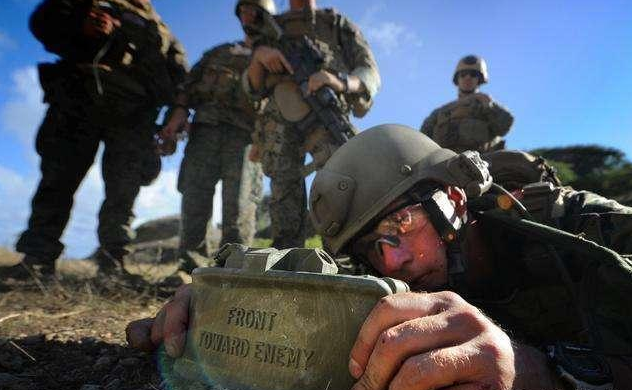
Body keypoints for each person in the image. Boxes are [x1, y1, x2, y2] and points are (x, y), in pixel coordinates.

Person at [128, 124, 632, 389]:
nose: (391, 264)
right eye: (372, 247)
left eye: (399, 224)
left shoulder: (586, 231)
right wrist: (223, 298)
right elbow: (315, 295)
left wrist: (546, 375)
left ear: (451, 200)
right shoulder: (389, 276)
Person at [1, 0, 188, 281]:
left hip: (134, 112)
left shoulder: (159, 27)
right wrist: (80, 21)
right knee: (57, 180)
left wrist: (177, 116)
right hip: (78, 98)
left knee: (123, 191)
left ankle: (112, 264)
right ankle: (37, 261)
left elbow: (179, 76)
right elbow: (41, 24)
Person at [243, 0, 381, 248]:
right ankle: (286, 259)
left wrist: (338, 81)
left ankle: (343, 253)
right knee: (282, 185)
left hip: (326, 108)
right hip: (278, 115)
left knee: (339, 180)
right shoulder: (270, 27)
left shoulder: (335, 22)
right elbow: (251, 89)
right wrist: (258, 57)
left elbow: (369, 72)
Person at [158, 0, 268, 273]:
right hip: (205, 132)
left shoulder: (275, 55)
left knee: (240, 207)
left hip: (247, 138)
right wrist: (178, 114)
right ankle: (190, 271)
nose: (248, 15)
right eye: (243, 10)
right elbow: (188, 87)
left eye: (255, 9)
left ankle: (233, 274)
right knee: (194, 198)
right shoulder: (219, 52)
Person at [420, 55, 514, 153]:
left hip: (483, 163)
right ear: (457, 78)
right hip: (443, 163)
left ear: (480, 79)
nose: (468, 77)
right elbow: (421, 139)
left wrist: (489, 107)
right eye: (463, 74)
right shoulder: (441, 112)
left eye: (473, 74)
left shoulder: (486, 103)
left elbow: (504, 127)